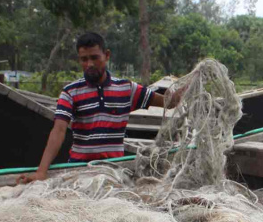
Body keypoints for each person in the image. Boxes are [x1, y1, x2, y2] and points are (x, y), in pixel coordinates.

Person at [17, 32, 181, 184]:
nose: (89, 64)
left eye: (95, 58)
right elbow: (58, 131)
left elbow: (168, 102)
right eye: (84, 59)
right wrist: (41, 171)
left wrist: (189, 87)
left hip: (114, 172)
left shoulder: (127, 89)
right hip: (78, 170)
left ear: (107, 55)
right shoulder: (70, 92)